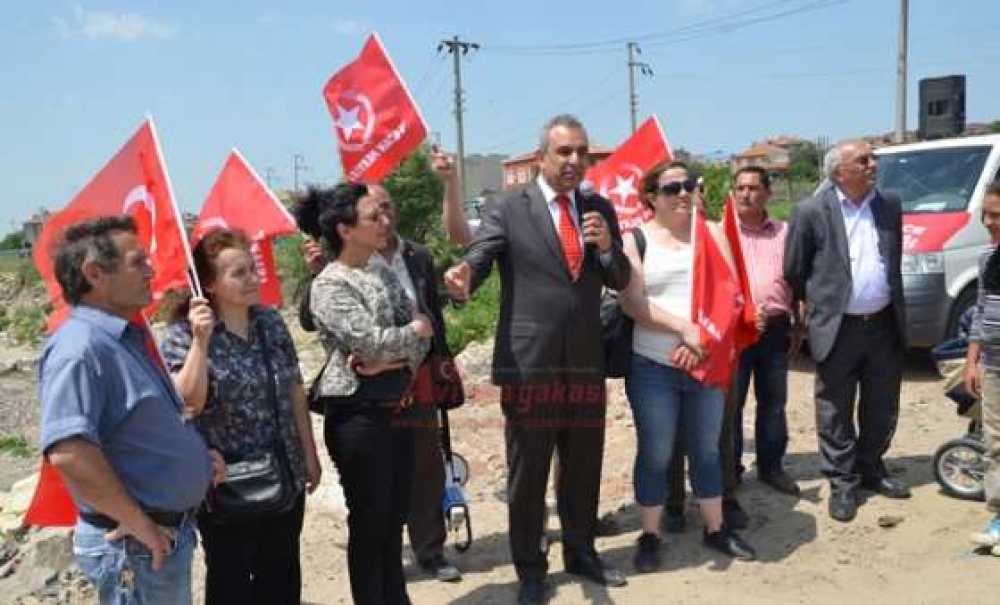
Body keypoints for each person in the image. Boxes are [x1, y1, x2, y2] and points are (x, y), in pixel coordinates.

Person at [445, 114, 631, 603]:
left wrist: (608, 247)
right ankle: (530, 567)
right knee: (528, 471)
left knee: (584, 462)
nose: (574, 162)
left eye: (581, 153)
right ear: (542, 157)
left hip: (586, 361)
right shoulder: (510, 206)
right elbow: (481, 255)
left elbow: (620, 277)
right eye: (563, 152)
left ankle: (582, 551)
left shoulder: (598, 209)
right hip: (530, 364)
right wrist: (466, 275)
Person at [38, 216, 224, 605]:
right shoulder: (80, 348)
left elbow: (141, 423)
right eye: (137, 262)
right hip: (136, 547)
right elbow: (69, 452)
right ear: (95, 274)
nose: (151, 270)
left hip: (156, 540)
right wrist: (139, 523)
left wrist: (196, 460)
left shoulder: (126, 338)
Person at [159, 228, 322, 604]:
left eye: (253, 269)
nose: (253, 279)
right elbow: (187, 404)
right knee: (230, 581)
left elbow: (294, 388)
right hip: (225, 485)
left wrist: (309, 454)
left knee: (281, 575)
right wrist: (201, 342)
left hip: (284, 474)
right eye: (239, 273)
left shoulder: (269, 321)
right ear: (210, 284)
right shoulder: (183, 335)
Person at [296, 182, 433, 605]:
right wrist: (402, 340)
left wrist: (394, 352)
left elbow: (424, 334)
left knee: (393, 521)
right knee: (371, 523)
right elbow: (371, 342)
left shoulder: (380, 272)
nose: (385, 222)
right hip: (358, 418)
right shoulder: (329, 285)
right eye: (374, 216)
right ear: (345, 229)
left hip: (397, 407)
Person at [621, 162, 757, 572]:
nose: (683, 193)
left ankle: (715, 529)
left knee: (707, 450)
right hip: (652, 366)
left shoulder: (712, 234)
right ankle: (650, 534)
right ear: (651, 197)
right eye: (672, 187)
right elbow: (633, 302)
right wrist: (684, 329)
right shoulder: (636, 239)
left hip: (706, 364)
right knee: (656, 452)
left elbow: (732, 298)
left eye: (689, 185)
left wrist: (702, 344)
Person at [784, 139, 909, 523]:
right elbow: (794, 269)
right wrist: (815, 306)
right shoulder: (810, 211)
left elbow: (893, 259)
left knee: (882, 402)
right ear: (840, 172)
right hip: (837, 328)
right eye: (864, 160)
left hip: (884, 324)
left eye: (872, 159)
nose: (873, 165)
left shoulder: (889, 205)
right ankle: (843, 483)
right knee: (835, 409)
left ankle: (871, 467)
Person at [728, 166, 800, 496]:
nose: (746, 194)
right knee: (732, 403)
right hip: (734, 331)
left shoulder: (785, 233)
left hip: (775, 329)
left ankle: (771, 467)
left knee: (773, 402)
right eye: (740, 188)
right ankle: (730, 470)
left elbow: (797, 278)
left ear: (768, 193)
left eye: (754, 188)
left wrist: (799, 321)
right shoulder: (722, 233)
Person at [963, 181, 1000, 549]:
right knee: (996, 443)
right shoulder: (988, 258)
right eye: (985, 215)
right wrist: (972, 360)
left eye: (996, 216)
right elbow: (981, 312)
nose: (988, 222)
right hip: (994, 365)